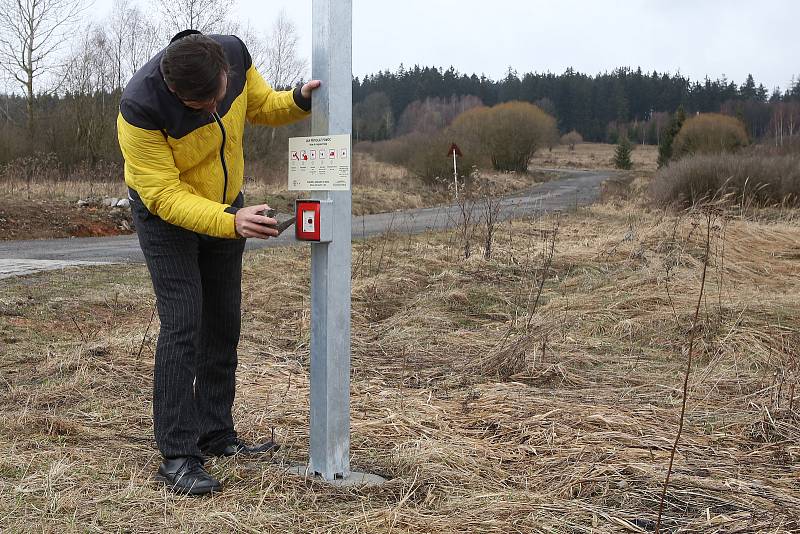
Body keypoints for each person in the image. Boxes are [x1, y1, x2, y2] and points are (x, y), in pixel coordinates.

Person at [117, 30, 320, 496]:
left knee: (224, 322)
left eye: (218, 98)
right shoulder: (140, 108)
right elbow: (165, 195)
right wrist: (231, 221)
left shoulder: (232, 54)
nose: (213, 111)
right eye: (198, 106)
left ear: (225, 72)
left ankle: (217, 434)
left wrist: (298, 101)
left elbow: (261, 103)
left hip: (228, 206)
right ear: (173, 92)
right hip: (167, 217)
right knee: (183, 323)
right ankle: (178, 455)